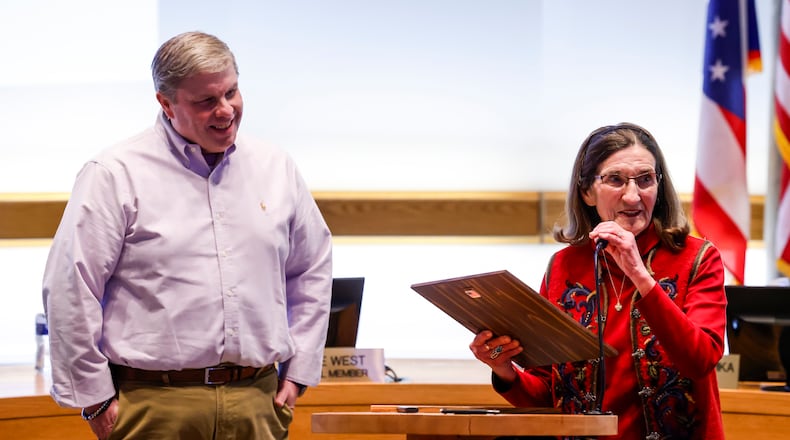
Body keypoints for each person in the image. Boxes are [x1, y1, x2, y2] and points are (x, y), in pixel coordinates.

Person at [42, 31, 333, 440]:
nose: (226, 110)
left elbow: (312, 268)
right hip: (155, 405)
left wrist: (300, 370)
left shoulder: (275, 166)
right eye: (206, 101)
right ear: (166, 103)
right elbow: (71, 288)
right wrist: (95, 400)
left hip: (258, 400)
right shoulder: (114, 174)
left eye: (232, 92)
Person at [469, 123, 727, 440]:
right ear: (588, 192)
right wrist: (503, 369)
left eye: (645, 180)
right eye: (615, 180)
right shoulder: (563, 266)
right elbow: (550, 393)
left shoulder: (698, 257)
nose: (633, 196)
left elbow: (700, 360)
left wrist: (640, 275)